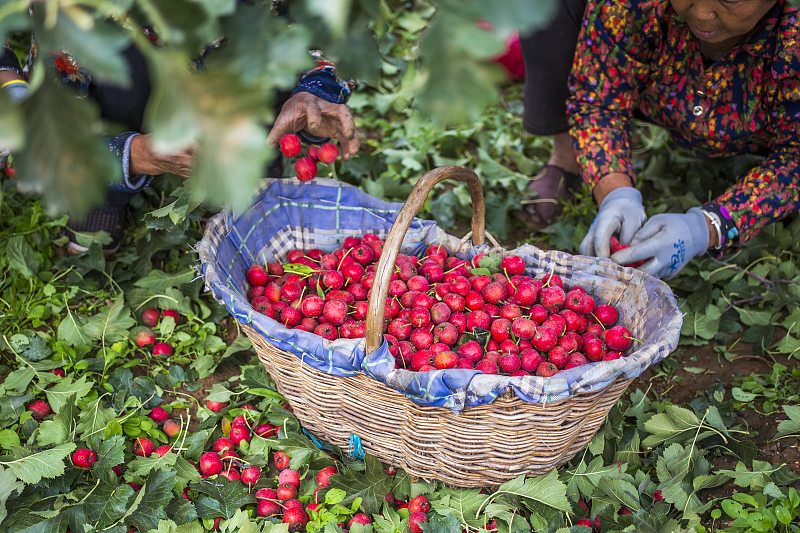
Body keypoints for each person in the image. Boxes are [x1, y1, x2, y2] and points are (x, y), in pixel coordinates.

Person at [1, 4, 359, 255]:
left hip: (242, 47)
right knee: (115, 79)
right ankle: (105, 193)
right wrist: (137, 156)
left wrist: (319, 86)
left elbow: (341, 23)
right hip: (123, 47)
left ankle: (250, 167)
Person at [520, 0, 800, 279]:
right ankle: (567, 161)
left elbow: (796, 158)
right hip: (661, 94)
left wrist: (713, 224)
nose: (702, 13)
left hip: (769, 126)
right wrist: (614, 190)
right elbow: (598, 99)